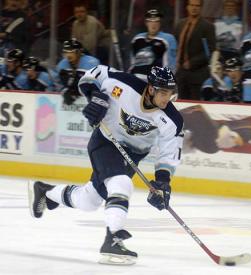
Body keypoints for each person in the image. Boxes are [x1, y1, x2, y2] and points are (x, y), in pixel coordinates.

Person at [28, 65, 184, 265]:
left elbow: (168, 152)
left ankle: (45, 191)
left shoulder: (172, 120)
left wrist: (163, 182)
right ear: (151, 89)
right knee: (121, 184)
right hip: (105, 142)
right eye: (163, 93)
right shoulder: (123, 84)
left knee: (89, 200)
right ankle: (113, 239)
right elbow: (91, 74)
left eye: (170, 93)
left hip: (133, 155)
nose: (167, 98)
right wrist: (95, 96)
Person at [175, 0, 216, 100]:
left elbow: (210, 51)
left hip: (198, 75)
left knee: (195, 108)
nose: (194, 8)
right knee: (181, 105)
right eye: (192, 5)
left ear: (201, 8)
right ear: (187, 7)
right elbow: (175, 45)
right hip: (181, 74)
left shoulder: (208, 26)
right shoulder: (180, 25)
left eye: (197, 6)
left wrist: (192, 63)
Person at [129, 9, 177, 81]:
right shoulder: (137, 39)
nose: (153, 24)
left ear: (160, 23)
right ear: (146, 23)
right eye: (150, 21)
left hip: (155, 81)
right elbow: (132, 63)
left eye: (156, 21)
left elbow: (172, 65)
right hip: (136, 79)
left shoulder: (168, 39)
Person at [54, 39, 100, 105]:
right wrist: (64, 91)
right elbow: (57, 82)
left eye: (71, 52)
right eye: (66, 52)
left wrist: (80, 91)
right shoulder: (62, 65)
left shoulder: (91, 63)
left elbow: (98, 83)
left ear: (79, 52)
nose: (68, 55)